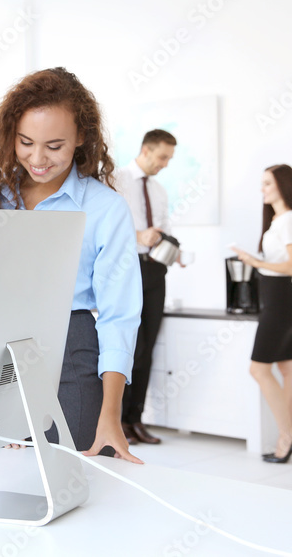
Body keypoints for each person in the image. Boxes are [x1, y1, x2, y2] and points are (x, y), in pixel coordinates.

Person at [0, 67, 143, 464]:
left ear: (81, 138)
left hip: (71, 350)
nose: (37, 159)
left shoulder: (105, 209)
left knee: (71, 480)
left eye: (54, 145)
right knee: (5, 481)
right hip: (0, 355)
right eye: (26, 142)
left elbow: (119, 317)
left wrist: (112, 416)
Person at [232, 164, 292, 464]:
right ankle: (288, 435)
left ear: (283, 186)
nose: (262, 189)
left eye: (267, 183)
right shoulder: (279, 220)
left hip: (280, 301)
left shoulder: (290, 220)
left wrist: (255, 262)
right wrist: (257, 261)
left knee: (259, 369)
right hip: (277, 299)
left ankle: (288, 435)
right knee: (287, 367)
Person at [114, 129, 178, 446]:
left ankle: (135, 420)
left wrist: (171, 249)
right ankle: (117, 419)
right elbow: (109, 226)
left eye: (169, 158)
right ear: (146, 150)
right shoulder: (117, 179)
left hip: (155, 270)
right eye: (163, 157)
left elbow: (164, 226)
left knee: (148, 348)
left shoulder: (159, 190)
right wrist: (139, 236)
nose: (165, 164)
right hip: (128, 269)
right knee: (130, 347)